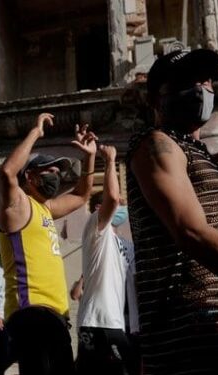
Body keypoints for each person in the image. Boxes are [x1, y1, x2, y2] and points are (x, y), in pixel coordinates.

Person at [126, 49, 218, 374]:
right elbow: (190, 231)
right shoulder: (154, 143)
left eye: (205, 80)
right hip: (191, 344)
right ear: (155, 98)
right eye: (186, 81)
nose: (200, 88)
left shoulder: (205, 159)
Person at [0, 112, 97, 375]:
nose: (55, 176)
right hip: (31, 314)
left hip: (55, 316)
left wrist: (89, 157)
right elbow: (7, 172)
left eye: (58, 172)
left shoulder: (46, 209)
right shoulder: (19, 205)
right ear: (30, 177)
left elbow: (82, 194)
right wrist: (36, 132)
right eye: (49, 171)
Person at [76, 145, 139, 375]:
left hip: (118, 325)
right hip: (97, 323)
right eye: (118, 204)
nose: (122, 205)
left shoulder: (124, 244)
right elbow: (111, 198)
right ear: (99, 209)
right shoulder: (96, 228)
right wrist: (110, 160)